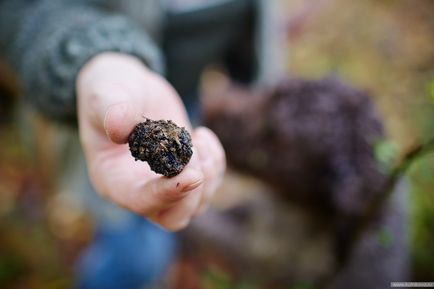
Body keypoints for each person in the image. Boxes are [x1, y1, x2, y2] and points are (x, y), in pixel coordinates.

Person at [0, 0, 284, 288]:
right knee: (137, 256)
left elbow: (256, 34)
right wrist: (94, 58)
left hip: (183, 103)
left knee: (169, 219)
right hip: (102, 105)